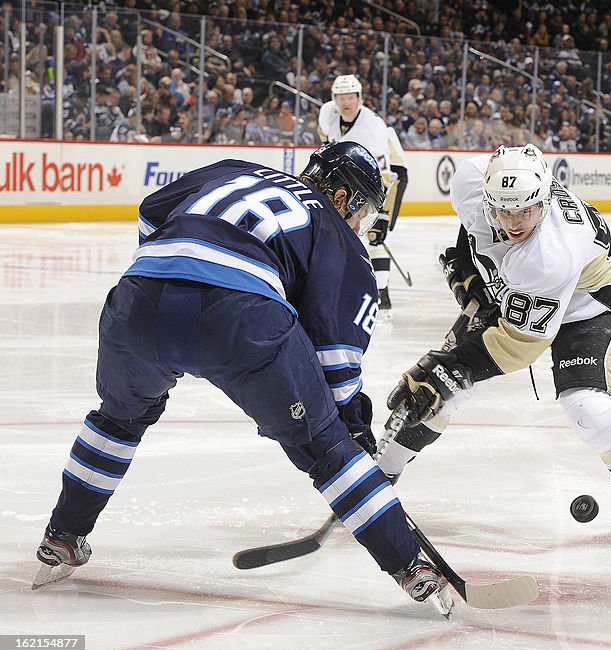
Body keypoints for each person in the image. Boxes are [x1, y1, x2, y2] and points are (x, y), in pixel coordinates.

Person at [32, 142, 454, 617]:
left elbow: (152, 212)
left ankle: (62, 536)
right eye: (363, 210)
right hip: (239, 318)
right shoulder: (336, 234)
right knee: (326, 446)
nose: (362, 223)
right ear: (342, 198)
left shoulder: (237, 169)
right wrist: (353, 433)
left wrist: (168, 277)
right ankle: (409, 565)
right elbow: (336, 365)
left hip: (138, 297)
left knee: (118, 420)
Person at [375, 144, 611, 553]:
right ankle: (378, 477)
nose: (514, 222)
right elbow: (473, 227)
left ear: (544, 200)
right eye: (504, 211)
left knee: (587, 407)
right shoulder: (471, 183)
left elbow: (521, 343)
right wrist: (466, 263)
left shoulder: (549, 255)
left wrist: (452, 366)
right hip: (525, 296)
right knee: (443, 386)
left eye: (525, 211)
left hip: (590, 303)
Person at [318, 74, 409, 310]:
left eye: (350, 97)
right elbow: (327, 143)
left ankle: (382, 292)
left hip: (391, 174)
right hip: (356, 172)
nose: (345, 102)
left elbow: (386, 175)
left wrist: (380, 215)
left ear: (359, 98)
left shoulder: (372, 128)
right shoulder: (328, 113)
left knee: (375, 234)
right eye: (340, 97)